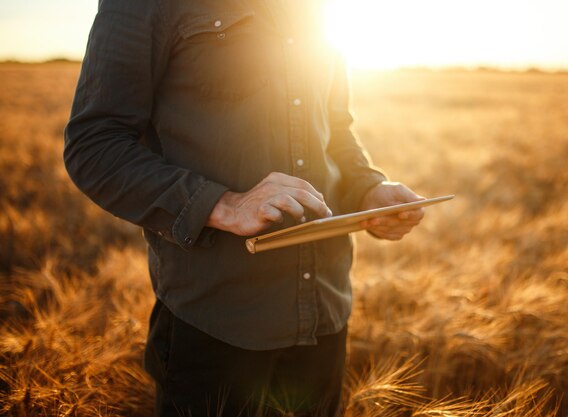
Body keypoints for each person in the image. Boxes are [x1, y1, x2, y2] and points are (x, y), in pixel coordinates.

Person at [64, 0, 425, 415]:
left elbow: (335, 128)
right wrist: (224, 204)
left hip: (324, 314)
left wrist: (368, 190)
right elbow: (95, 145)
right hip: (216, 324)